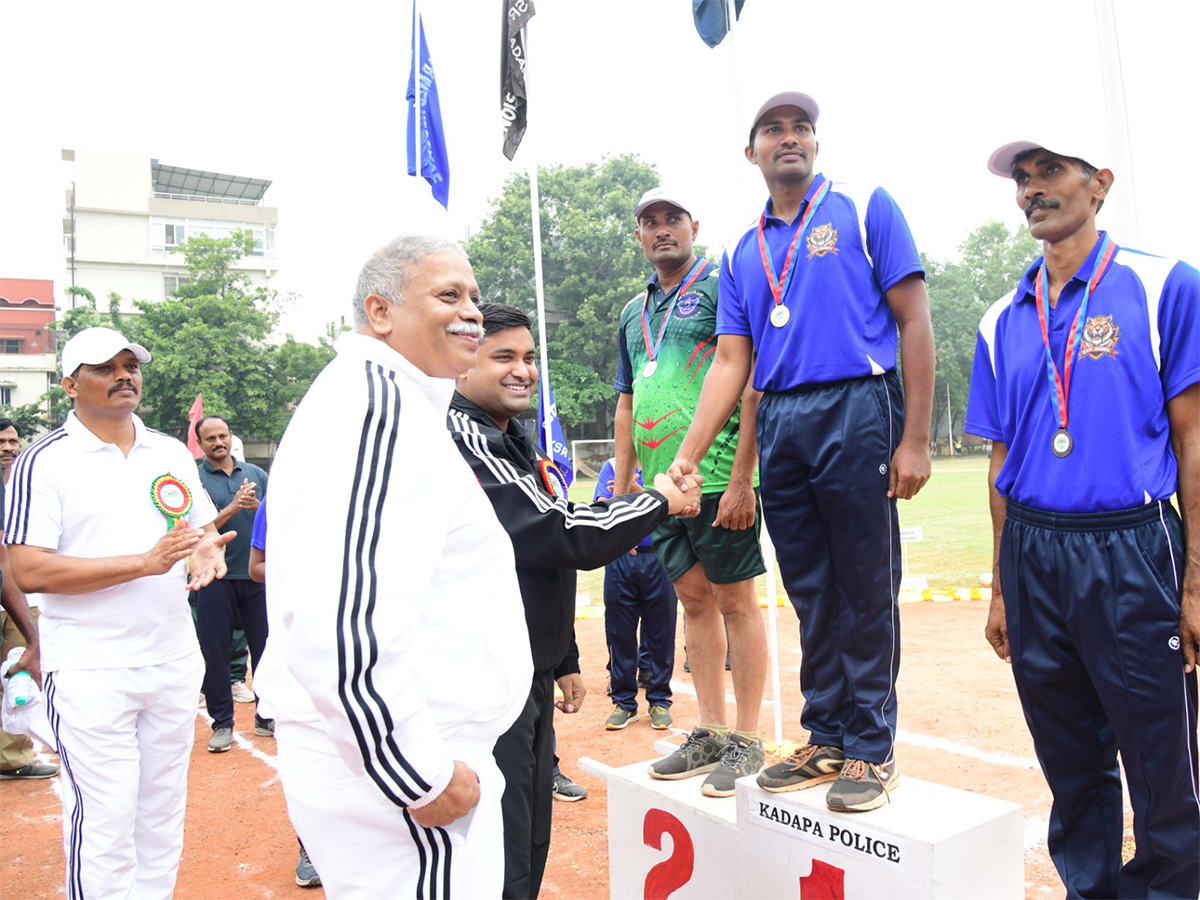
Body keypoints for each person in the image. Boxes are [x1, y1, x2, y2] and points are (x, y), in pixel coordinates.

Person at [667, 92, 935, 813]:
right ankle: (825, 735)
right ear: (750, 151)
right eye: (773, 131)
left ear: (815, 144)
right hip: (782, 415)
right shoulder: (742, 251)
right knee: (811, 586)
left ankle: (871, 750)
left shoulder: (864, 206)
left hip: (858, 402)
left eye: (801, 129)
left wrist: (913, 436)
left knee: (864, 583)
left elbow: (914, 318)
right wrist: (691, 454)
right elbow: (731, 360)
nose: (790, 139)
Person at [253, 236, 533, 899]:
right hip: (407, 767)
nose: (471, 311)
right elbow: (344, 628)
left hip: (404, 749)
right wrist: (419, 776)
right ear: (380, 312)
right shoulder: (377, 408)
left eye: (472, 295)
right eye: (447, 295)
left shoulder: (394, 402)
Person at [968, 133, 1199, 898]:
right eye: (1023, 177)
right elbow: (1000, 465)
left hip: (1132, 547)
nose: (1033, 187)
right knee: (1070, 761)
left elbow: (1194, 437)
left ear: (1099, 183)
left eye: (1052, 171)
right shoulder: (1002, 317)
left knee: (1161, 757)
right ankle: (1091, 890)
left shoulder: (1166, 285)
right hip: (1035, 551)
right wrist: (1003, 585)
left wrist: (1195, 581)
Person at [447, 302, 696, 899]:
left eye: (529, 358)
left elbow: (534, 564)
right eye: (503, 356)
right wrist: (658, 500)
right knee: (497, 849)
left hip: (525, 671)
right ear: (461, 365)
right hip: (483, 683)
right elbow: (557, 533)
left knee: (528, 837)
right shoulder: (462, 436)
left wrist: (562, 662)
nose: (522, 371)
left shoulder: (509, 437)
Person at [3, 326, 232, 899]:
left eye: (131, 365)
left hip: (172, 660)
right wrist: (145, 563)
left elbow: (199, 529)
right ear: (70, 385)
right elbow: (28, 568)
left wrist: (205, 549)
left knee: (160, 817)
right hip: (90, 669)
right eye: (105, 367)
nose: (123, 375)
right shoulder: (44, 461)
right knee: (104, 822)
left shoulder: (171, 451)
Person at [616, 187, 770, 798]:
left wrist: (741, 478)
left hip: (716, 472)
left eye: (671, 220)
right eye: (648, 222)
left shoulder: (721, 284)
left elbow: (750, 374)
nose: (661, 230)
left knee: (735, 601)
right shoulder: (633, 311)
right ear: (639, 237)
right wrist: (625, 479)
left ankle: (748, 739)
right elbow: (627, 397)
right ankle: (707, 730)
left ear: (693, 226)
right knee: (693, 601)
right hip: (659, 485)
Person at [246, 500, 321, 890]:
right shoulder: (279, 498)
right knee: (311, 751)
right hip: (303, 647)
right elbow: (256, 568)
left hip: (368, 643)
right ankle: (311, 847)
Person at [194, 414, 273, 751]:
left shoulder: (255, 474)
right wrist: (232, 507)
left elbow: (276, 516)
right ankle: (222, 723)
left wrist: (255, 505)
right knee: (216, 651)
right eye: (210, 438)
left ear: (231, 436)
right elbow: (198, 527)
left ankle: (266, 715)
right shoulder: (193, 479)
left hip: (255, 575)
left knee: (266, 649)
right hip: (215, 576)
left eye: (223, 435)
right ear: (200, 444)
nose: (218, 443)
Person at [594, 456, 678, 733]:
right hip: (621, 559)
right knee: (619, 631)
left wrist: (634, 492)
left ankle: (659, 701)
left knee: (661, 632)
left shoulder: (666, 469)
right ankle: (624, 703)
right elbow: (604, 507)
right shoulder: (613, 465)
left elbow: (675, 513)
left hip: (660, 558)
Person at [0, 418, 58, 781]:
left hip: (24, 597)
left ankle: (13, 757)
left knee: (18, 678)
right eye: (0, 441)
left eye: (12, 441)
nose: (8, 447)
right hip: (11, 589)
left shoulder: (28, 484)